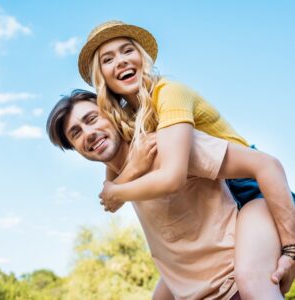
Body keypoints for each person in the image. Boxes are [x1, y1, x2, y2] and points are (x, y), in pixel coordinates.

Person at [77, 20, 295, 297]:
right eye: (108, 59)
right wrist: (122, 183)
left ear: (141, 58)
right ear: (102, 77)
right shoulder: (130, 120)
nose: (120, 61)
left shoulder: (169, 93)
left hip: (251, 191)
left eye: (127, 51)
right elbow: (114, 189)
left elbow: (168, 177)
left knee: (251, 280)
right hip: (214, 203)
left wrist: (291, 249)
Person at [47, 90, 294, 299]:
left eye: (92, 118)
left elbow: (266, 165)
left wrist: (290, 249)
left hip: (235, 288)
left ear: (111, 113)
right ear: (75, 148)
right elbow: (110, 196)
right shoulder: (120, 174)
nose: (88, 133)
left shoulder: (168, 144)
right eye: (75, 133)